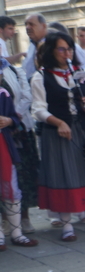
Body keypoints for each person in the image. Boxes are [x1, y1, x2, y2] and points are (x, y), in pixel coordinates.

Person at [31, 32, 85, 241]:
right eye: (61, 49)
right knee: (64, 175)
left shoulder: (83, 73)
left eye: (69, 49)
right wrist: (58, 122)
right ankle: (67, 225)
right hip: (58, 134)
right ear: (52, 51)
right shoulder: (41, 76)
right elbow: (38, 109)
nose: (66, 53)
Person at [0, 73, 37, 248]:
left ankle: (17, 232)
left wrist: (9, 120)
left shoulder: (3, 94)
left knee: (11, 186)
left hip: (4, 146)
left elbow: (15, 118)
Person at [23, 14, 48, 81]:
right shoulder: (32, 45)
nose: (27, 27)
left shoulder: (51, 44)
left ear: (43, 26)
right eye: (26, 24)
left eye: (31, 24)